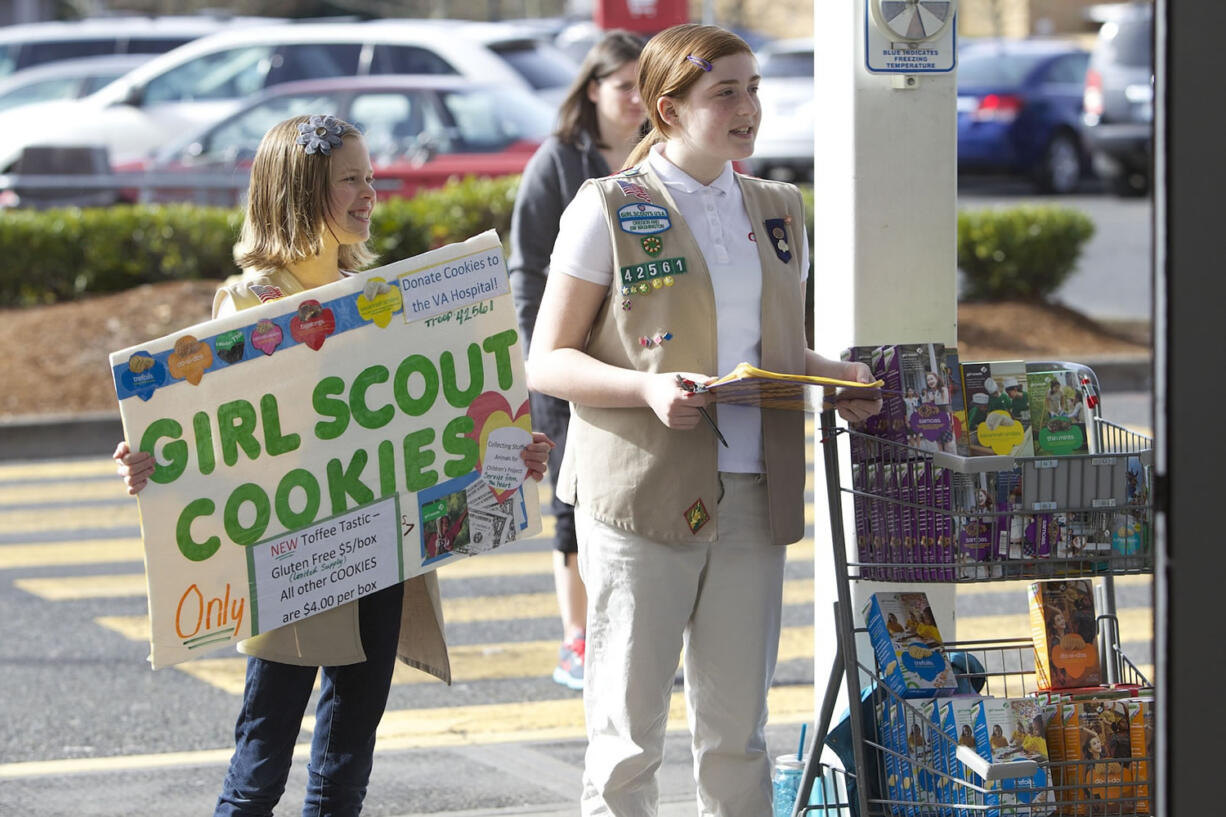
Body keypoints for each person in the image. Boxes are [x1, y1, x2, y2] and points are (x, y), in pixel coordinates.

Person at [113, 113, 554, 817]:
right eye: (350, 178)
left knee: (347, 762)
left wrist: (508, 450)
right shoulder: (249, 301)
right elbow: (205, 433)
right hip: (293, 560)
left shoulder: (380, 298)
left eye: (370, 178)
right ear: (298, 189)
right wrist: (150, 461)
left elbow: (438, 418)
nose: (368, 193)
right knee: (261, 761)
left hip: (382, 547)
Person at [524, 24, 881, 815]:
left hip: (755, 492)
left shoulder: (779, 207)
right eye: (725, 92)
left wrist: (843, 378)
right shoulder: (607, 207)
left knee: (737, 735)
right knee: (626, 738)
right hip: (641, 494)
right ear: (668, 107)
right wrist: (648, 391)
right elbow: (546, 361)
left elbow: (778, 351)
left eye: (753, 88)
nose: (748, 107)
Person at [509, 29, 646, 692]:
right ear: (593, 89)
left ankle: (624, 633)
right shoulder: (558, 162)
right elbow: (526, 270)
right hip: (563, 359)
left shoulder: (658, 156)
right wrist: (541, 354)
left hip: (635, 360)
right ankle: (576, 637)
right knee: (570, 494)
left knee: (626, 494)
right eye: (624, 86)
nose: (637, 100)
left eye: (647, 87)